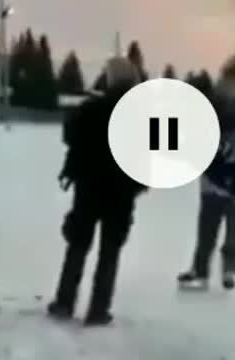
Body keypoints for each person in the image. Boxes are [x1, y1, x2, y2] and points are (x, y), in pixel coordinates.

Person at [47, 57, 147, 326]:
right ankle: (98, 309)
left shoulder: (90, 108)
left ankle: (64, 302)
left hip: (88, 187)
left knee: (77, 245)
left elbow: (71, 138)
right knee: (110, 253)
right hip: (121, 193)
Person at [178, 100, 235, 290]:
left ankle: (210, 270)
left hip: (223, 187)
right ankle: (219, 270)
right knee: (224, 228)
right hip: (231, 187)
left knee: (216, 229)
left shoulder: (233, 134)